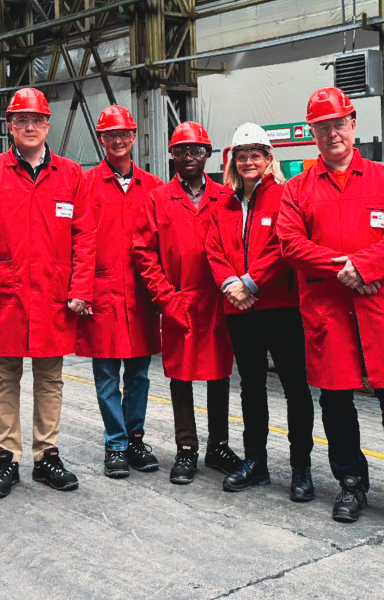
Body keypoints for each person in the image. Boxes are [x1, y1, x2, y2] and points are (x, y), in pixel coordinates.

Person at [277, 87, 384, 537]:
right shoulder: (299, 188)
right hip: (329, 312)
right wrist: (342, 269)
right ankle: (351, 484)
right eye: (322, 127)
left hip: (379, 309)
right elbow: (290, 242)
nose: (332, 133)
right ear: (313, 133)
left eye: (339, 124)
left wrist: (364, 266)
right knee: (336, 403)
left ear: (353, 125)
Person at [0, 87, 95, 499]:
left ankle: (46, 454)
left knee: (50, 378)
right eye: (21, 120)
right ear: (10, 126)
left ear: (47, 124)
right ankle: (6, 456)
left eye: (37, 120)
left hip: (54, 293)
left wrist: (80, 288)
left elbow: (85, 236)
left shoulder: (71, 174)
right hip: (5, 292)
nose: (30, 126)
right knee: (4, 378)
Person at [205, 122, 315, 500]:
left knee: (295, 389)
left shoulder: (286, 196)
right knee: (251, 388)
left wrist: (250, 283)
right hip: (239, 308)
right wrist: (229, 286)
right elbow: (213, 248)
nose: (249, 161)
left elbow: (285, 247)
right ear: (233, 160)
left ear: (269, 159)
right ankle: (256, 463)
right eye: (242, 155)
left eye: (256, 155)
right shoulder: (224, 202)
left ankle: (301, 467)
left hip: (281, 307)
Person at [134, 121, 243, 485]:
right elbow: (144, 253)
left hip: (217, 300)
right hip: (177, 297)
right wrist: (166, 296)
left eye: (196, 150)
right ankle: (186, 449)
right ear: (172, 155)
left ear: (208, 154)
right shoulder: (157, 199)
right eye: (182, 150)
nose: (189, 156)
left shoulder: (227, 197)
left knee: (219, 374)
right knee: (180, 375)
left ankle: (219, 446)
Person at [75, 105, 163, 478]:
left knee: (140, 374)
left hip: (141, 294)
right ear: (102, 139)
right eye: (111, 135)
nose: (118, 140)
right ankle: (115, 443)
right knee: (107, 375)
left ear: (134, 137)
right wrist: (81, 288)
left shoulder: (154, 186)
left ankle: (136, 438)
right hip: (103, 292)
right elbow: (77, 238)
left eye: (124, 134)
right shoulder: (86, 184)